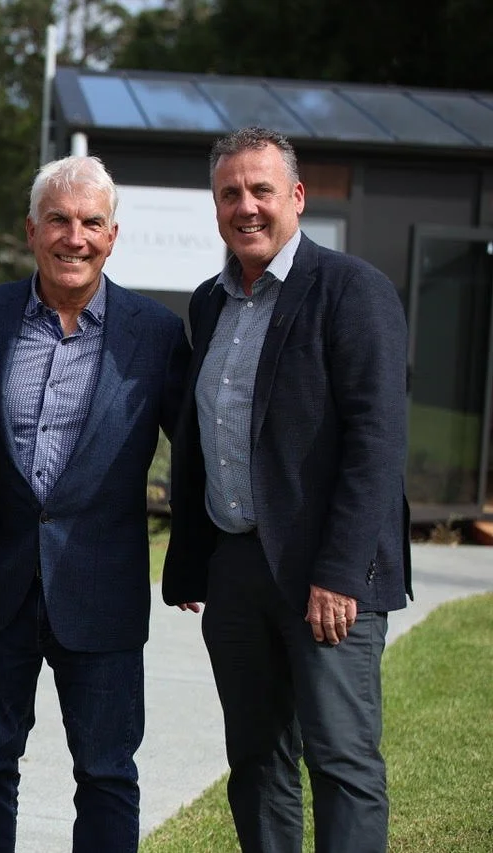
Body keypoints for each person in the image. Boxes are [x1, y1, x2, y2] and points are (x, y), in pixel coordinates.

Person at [163, 126, 410, 853]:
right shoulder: (211, 303)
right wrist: (198, 557)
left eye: (261, 190)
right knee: (258, 761)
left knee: (341, 759)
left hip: (325, 573)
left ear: (296, 197)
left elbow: (377, 443)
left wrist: (339, 574)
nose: (246, 206)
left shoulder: (350, 290)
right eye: (230, 193)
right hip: (238, 569)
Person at [0, 155, 190, 852]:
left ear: (113, 236)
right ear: (32, 230)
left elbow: (201, 447)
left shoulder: (155, 332)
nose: (74, 236)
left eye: (91, 222)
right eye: (59, 219)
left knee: (108, 772)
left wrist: (206, 556)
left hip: (104, 591)